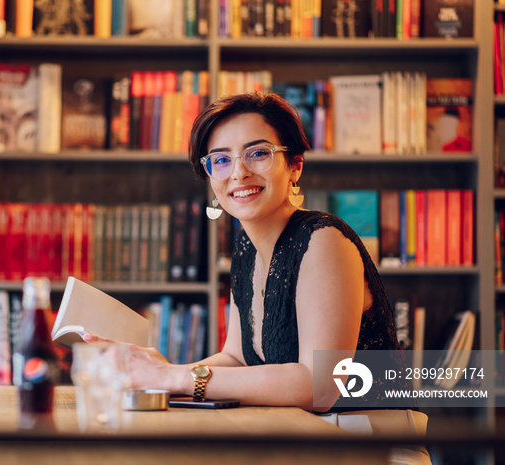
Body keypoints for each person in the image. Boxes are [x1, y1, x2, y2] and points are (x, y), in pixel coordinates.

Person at [83, 92, 430, 463]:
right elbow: (236, 358)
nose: (238, 172)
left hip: (370, 448)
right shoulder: (246, 251)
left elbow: (322, 384)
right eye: (221, 160)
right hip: (303, 441)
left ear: (294, 166)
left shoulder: (323, 240)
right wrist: (157, 371)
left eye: (258, 153)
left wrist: (179, 380)